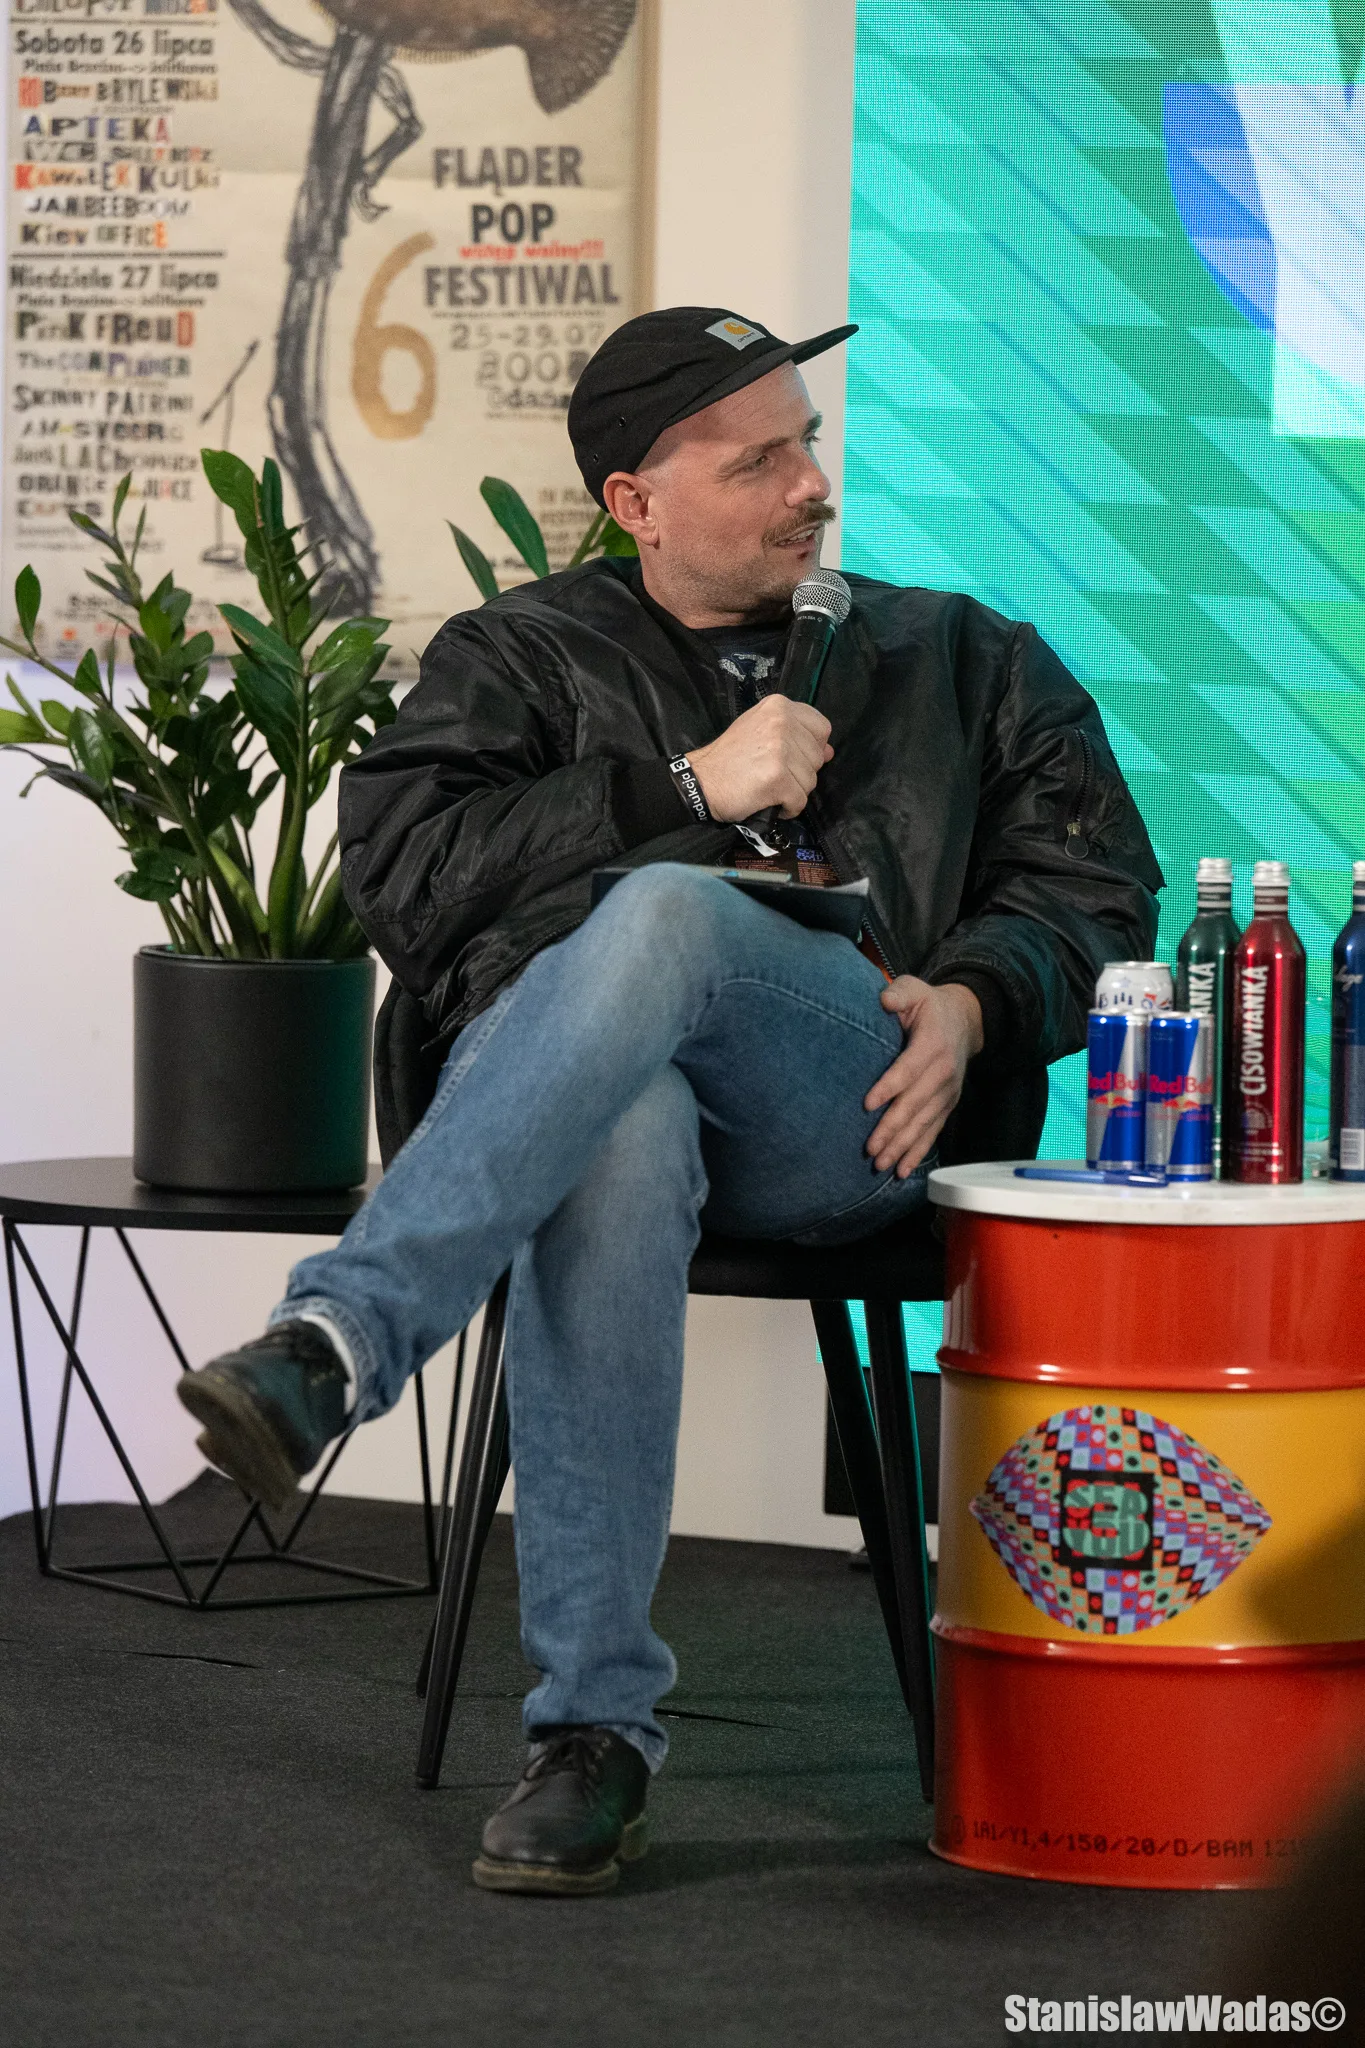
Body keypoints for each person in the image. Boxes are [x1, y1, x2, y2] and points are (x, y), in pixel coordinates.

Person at [177, 306, 1162, 1896]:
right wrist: (685, 788)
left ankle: (340, 1340)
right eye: (758, 460)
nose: (810, 483)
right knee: (618, 1130)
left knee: (665, 914)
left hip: (849, 1107)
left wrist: (978, 998)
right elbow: (414, 886)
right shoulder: (518, 657)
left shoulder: (959, 654)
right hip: (587, 1116)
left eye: (807, 443)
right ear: (636, 501)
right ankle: (594, 1740)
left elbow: (1099, 887)